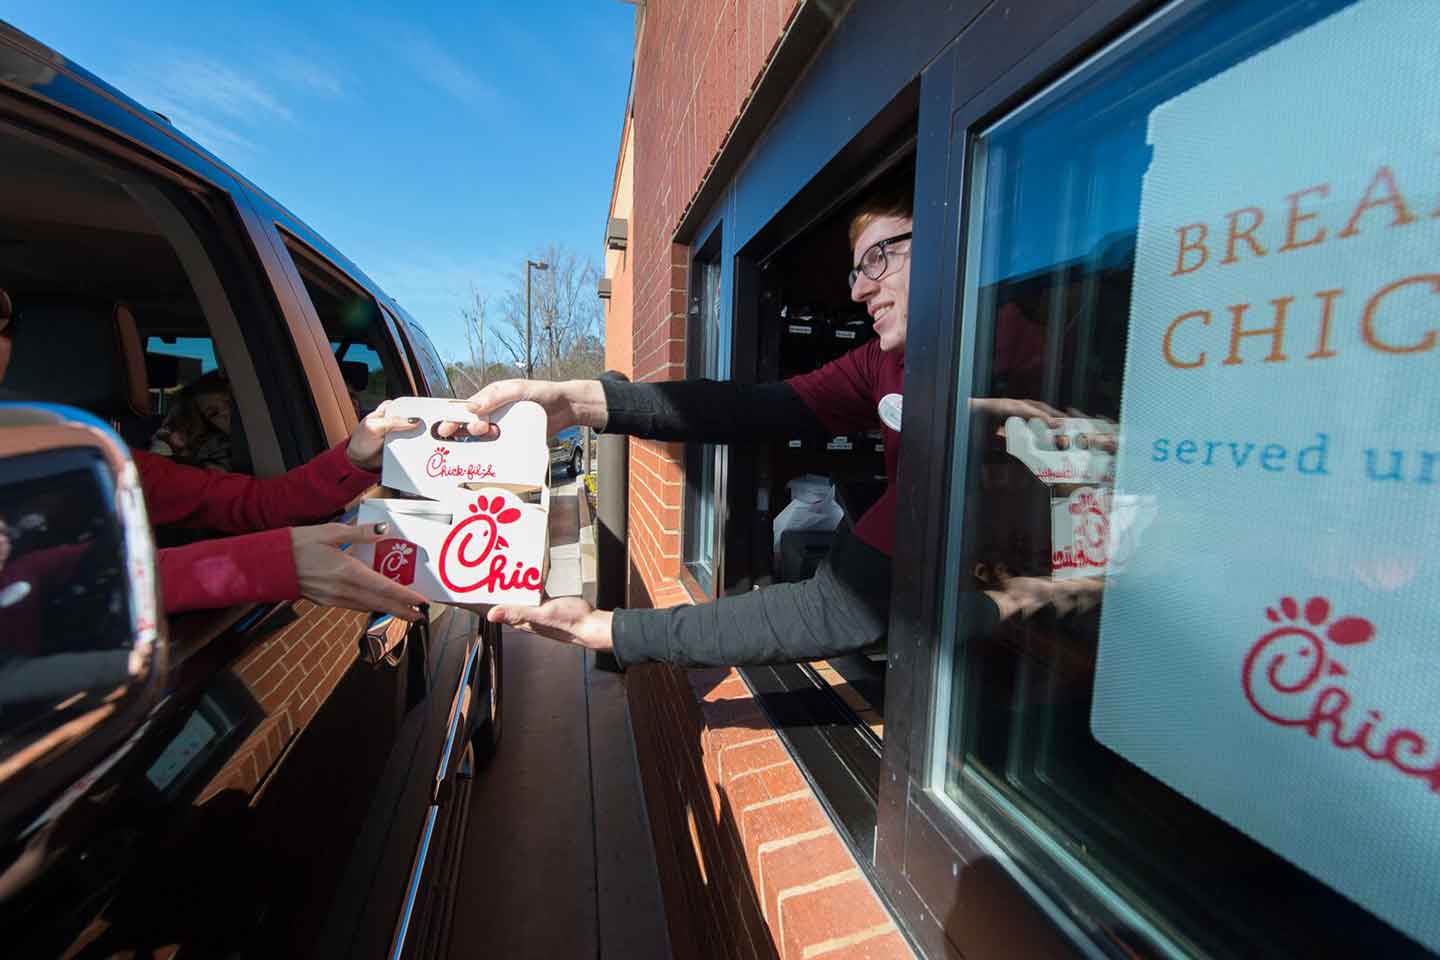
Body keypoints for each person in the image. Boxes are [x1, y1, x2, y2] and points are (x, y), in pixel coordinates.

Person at [443, 187, 1077, 668]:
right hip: (971, 633)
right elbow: (750, 406)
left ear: (946, 249)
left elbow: (836, 608)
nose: (860, 291)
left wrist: (607, 629)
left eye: (879, 259)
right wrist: (580, 402)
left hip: (1048, 657)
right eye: (858, 270)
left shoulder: (1029, 353)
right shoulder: (885, 361)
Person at [0, 288, 427, 623]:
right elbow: (31, 595)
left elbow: (261, 505)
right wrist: (269, 564)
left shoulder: (88, 462)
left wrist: (355, 459)